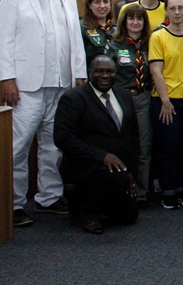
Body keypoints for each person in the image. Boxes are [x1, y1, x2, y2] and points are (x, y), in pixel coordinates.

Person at [0, 0, 86, 227]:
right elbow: (4, 39)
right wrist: (6, 78)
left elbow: (75, 38)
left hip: (60, 85)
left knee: (52, 146)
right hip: (25, 87)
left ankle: (48, 197)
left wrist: (79, 74)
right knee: (18, 147)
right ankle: (14, 204)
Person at [54, 56, 139, 234]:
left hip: (119, 169)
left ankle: (100, 203)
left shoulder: (124, 95)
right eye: (99, 71)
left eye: (110, 71)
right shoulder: (73, 98)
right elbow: (62, 138)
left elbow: (132, 137)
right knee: (115, 179)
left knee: (128, 217)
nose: (105, 75)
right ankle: (86, 207)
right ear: (89, 73)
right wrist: (102, 156)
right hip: (86, 166)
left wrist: (131, 172)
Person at [149, 0, 183, 209]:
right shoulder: (158, 37)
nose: (177, 12)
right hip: (166, 102)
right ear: (166, 11)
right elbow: (156, 71)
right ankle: (168, 191)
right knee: (168, 147)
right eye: (173, 8)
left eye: (181, 8)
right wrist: (165, 101)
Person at [105, 4, 153, 208]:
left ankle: (141, 192)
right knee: (120, 146)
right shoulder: (114, 46)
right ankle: (119, 188)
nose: (135, 22)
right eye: (131, 18)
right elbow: (104, 75)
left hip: (143, 99)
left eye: (139, 19)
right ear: (124, 22)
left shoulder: (151, 44)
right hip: (121, 99)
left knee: (144, 147)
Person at [80, 0, 115, 70]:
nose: (102, 6)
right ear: (89, 5)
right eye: (97, 2)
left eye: (105, 2)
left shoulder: (116, 29)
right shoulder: (82, 27)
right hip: (91, 77)